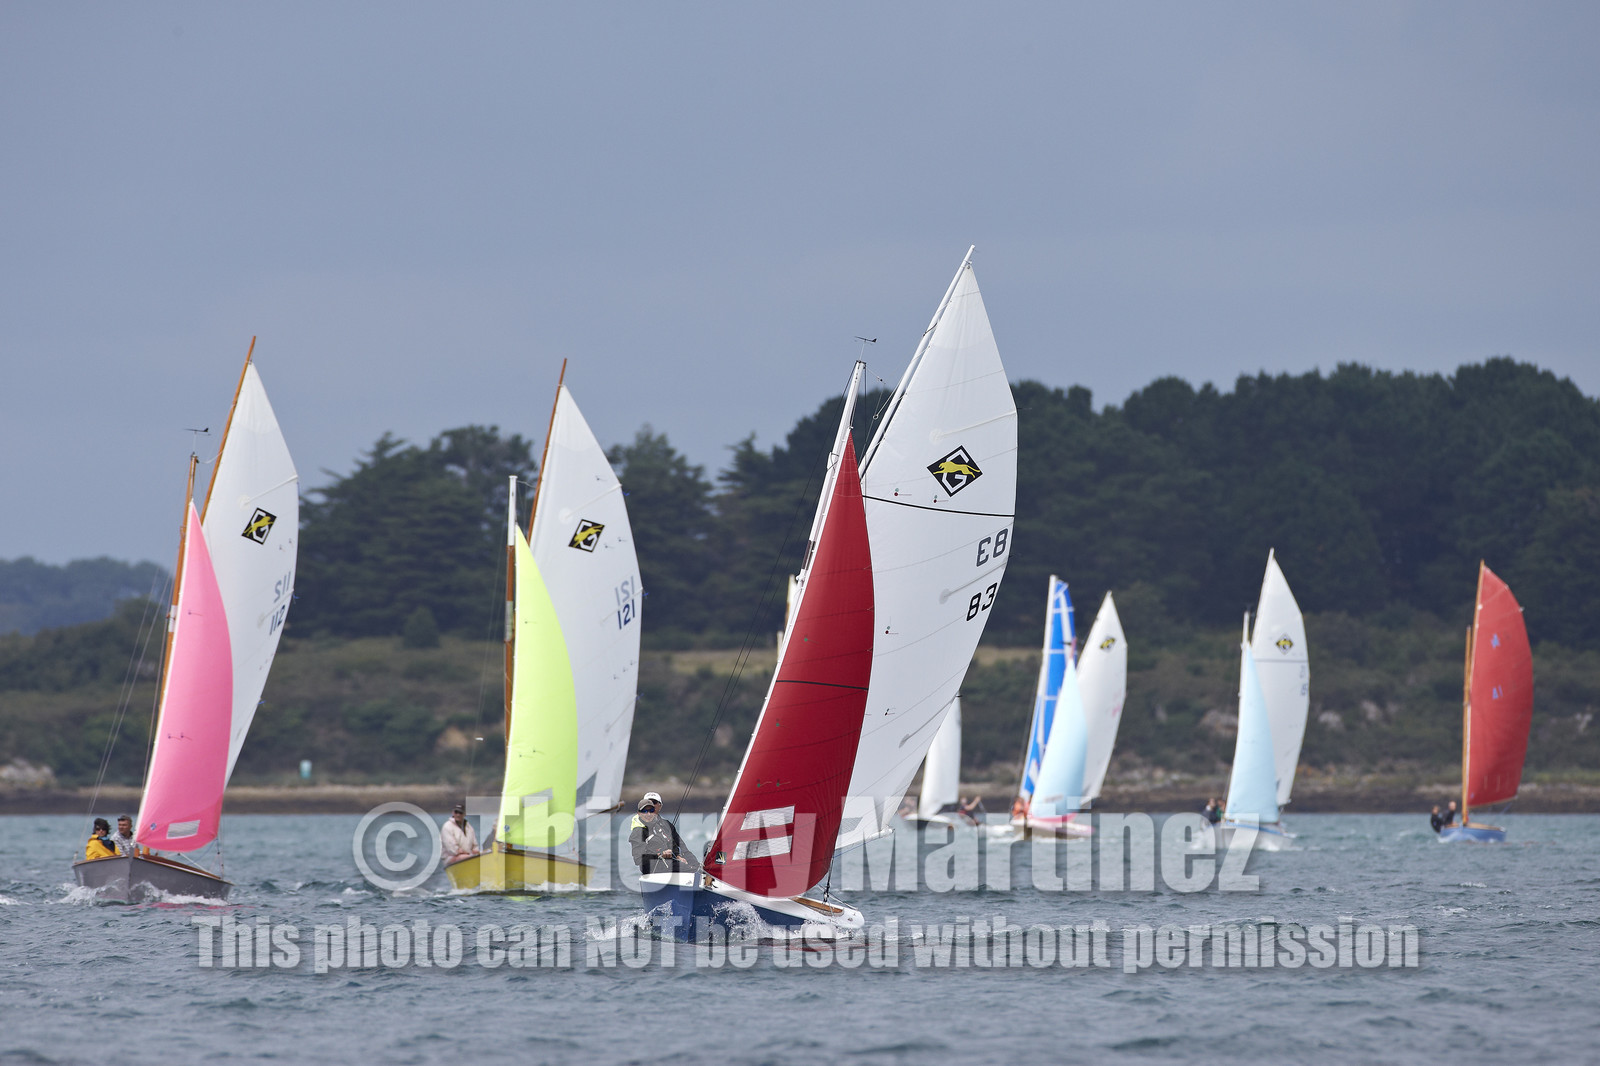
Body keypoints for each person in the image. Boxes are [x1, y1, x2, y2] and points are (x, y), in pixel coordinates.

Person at [629, 792, 697, 875]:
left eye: (651, 809)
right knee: (691, 869)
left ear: (659, 806)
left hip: (668, 862)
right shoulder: (638, 831)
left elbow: (675, 844)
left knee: (696, 866)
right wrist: (660, 855)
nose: (648, 813)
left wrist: (679, 856)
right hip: (652, 867)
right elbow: (638, 859)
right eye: (645, 811)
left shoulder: (662, 825)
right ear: (639, 813)